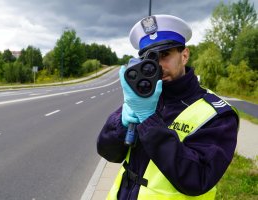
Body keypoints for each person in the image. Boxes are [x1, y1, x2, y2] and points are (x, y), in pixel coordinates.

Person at [97, 14, 239, 200]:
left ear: (185, 55)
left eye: (165, 55)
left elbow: (198, 178)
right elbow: (108, 152)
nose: (158, 65)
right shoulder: (143, 97)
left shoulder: (217, 114)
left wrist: (149, 121)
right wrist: (121, 124)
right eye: (150, 58)